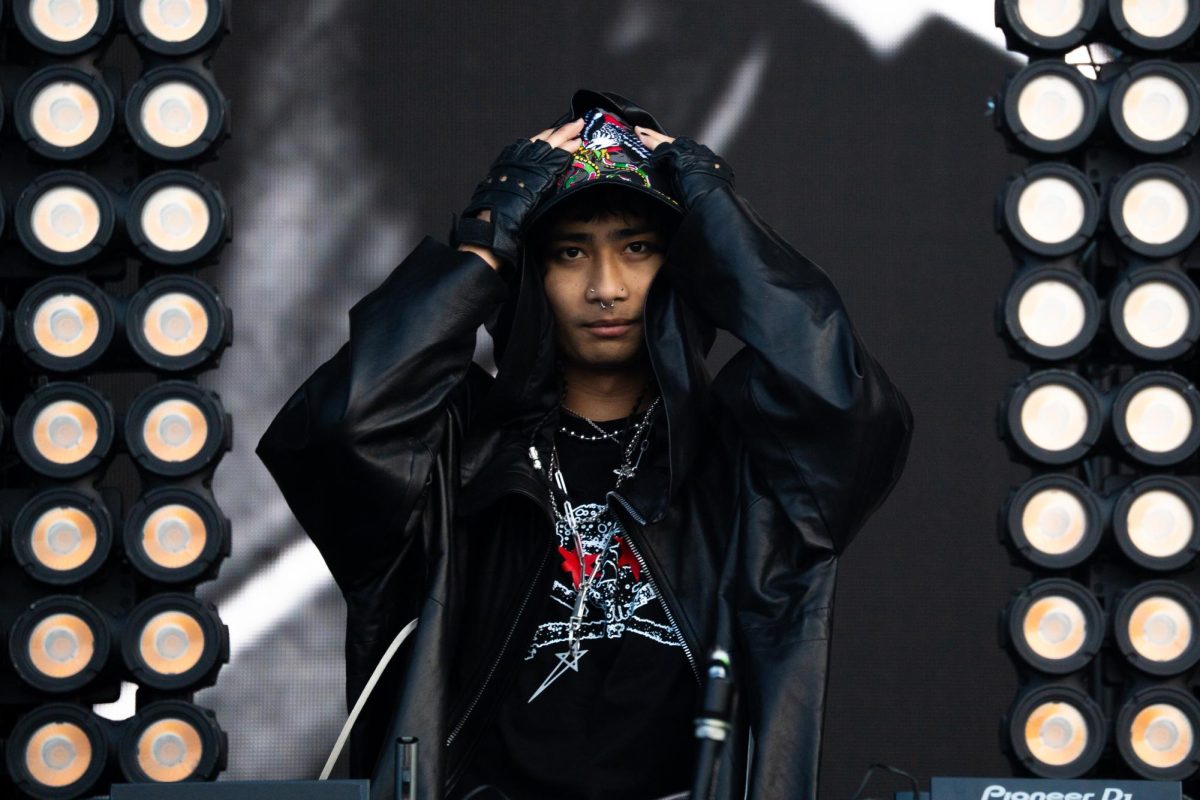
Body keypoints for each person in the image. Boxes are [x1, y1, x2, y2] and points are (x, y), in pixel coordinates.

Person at [256, 89, 913, 800]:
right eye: (571, 253)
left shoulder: (745, 463)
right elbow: (342, 422)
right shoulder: (455, 454)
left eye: (638, 249)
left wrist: (711, 202)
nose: (606, 288)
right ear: (532, 275)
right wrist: (490, 230)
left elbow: (842, 402)